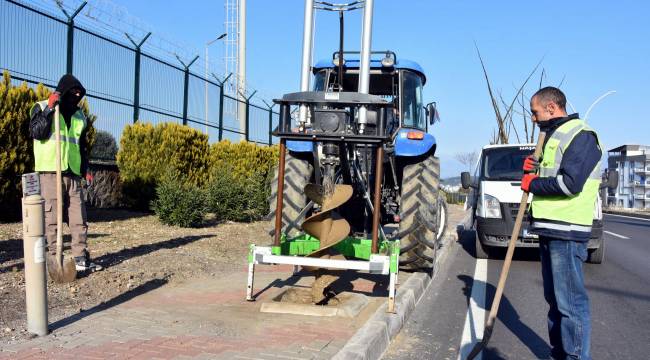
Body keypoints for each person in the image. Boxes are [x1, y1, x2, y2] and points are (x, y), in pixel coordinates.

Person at [521, 87, 601, 360]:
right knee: (555, 302)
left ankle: (576, 357)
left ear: (552, 107)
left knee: (571, 305)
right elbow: (550, 171)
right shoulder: (553, 135)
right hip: (549, 227)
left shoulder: (582, 136)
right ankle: (559, 354)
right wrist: (534, 166)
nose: (533, 118)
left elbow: (569, 183)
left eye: (535, 112)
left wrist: (534, 183)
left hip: (567, 230)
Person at [29, 74, 102, 272]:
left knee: (79, 217)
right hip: (50, 172)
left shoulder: (79, 116)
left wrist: (85, 169)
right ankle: (54, 259)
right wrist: (50, 108)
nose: (76, 96)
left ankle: (80, 259)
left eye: (79, 93)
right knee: (51, 218)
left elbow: (82, 146)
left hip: (73, 173)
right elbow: (37, 132)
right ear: (63, 91)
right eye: (73, 92)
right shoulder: (42, 106)